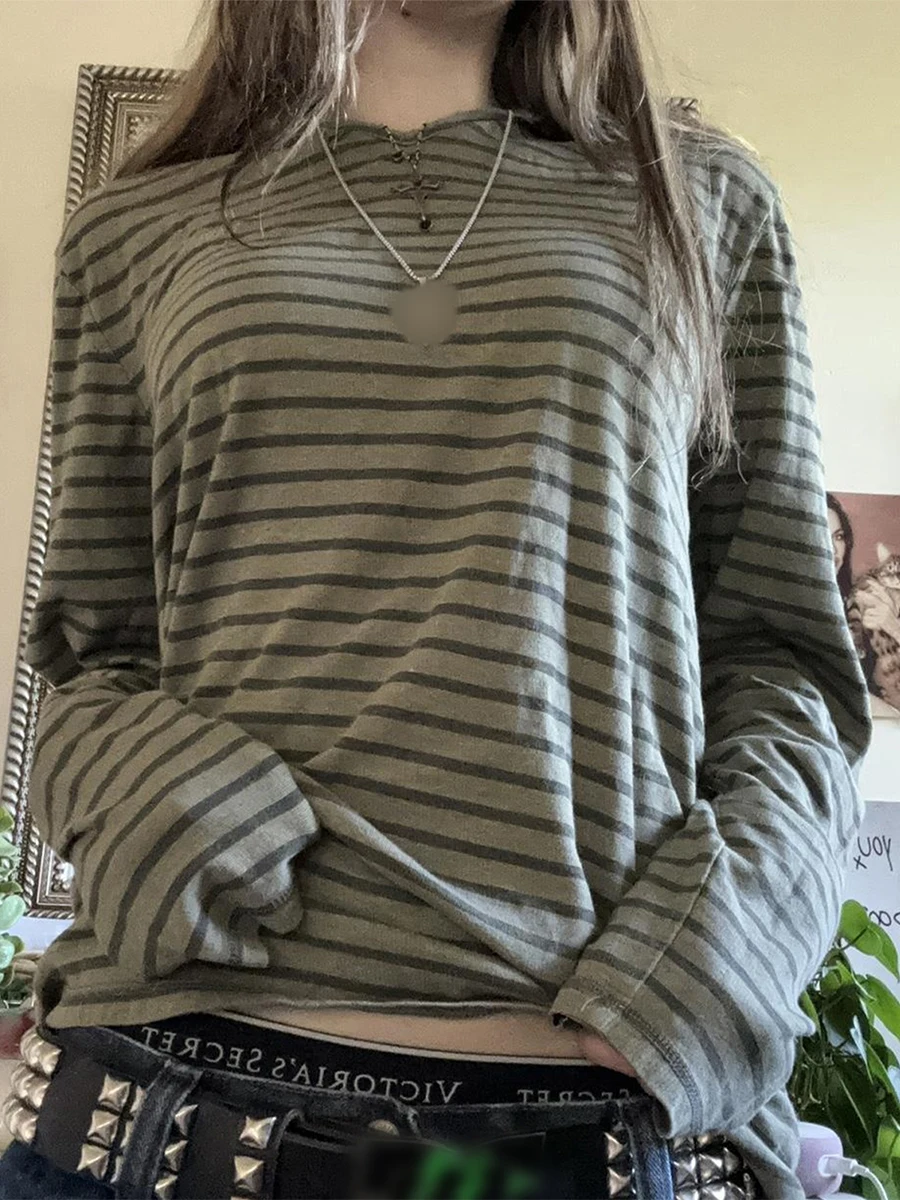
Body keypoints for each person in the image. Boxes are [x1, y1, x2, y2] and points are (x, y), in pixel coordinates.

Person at [0, 1, 873, 1197]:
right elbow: (92, 657)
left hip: (580, 1119)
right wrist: (173, 809)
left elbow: (783, 659)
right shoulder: (137, 228)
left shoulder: (702, 203)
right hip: (155, 1104)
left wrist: (720, 954)